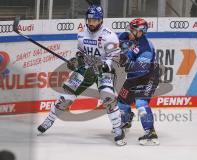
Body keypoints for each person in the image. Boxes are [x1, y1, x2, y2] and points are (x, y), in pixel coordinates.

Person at [37, 5, 126, 146]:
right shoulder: (82, 34)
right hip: (86, 69)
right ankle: (49, 120)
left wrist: (103, 66)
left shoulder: (109, 36)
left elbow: (115, 58)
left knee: (107, 96)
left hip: (104, 71)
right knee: (66, 95)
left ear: (101, 20)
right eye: (90, 20)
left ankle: (118, 128)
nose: (92, 23)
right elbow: (81, 54)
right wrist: (76, 61)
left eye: (95, 20)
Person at [117, 18, 160, 145]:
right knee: (121, 101)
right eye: (130, 28)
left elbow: (139, 70)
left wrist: (123, 61)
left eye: (132, 29)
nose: (129, 31)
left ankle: (150, 132)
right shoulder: (131, 38)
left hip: (148, 77)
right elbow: (111, 39)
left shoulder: (146, 48)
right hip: (134, 76)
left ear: (140, 32)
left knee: (141, 103)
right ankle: (126, 121)